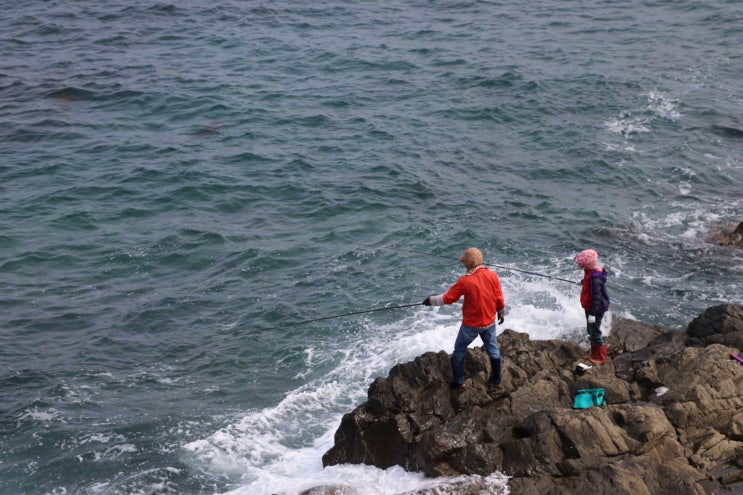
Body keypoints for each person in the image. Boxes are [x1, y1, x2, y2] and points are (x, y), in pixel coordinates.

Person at [422, 247, 506, 390]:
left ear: (468, 263)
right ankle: (496, 381)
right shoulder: (493, 275)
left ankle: (459, 382)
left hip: (471, 325)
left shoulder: (465, 281)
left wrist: (430, 300)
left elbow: (449, 298)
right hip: (489, 323)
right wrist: (501, 312)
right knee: (493, 351)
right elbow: (499, 296)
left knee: (459, 351)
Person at [574, 249, 610, 364]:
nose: (579, 265)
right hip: (590, 307)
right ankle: (594, 353)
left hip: (595, 309)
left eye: (581, 264)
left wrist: (593, 314)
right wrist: (583, 281)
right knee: (590, 330)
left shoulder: (595, 278)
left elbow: (596, 297)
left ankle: (600, 357)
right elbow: (589, 280)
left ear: (587, 264)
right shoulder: (591, 271)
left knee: (595, 332)